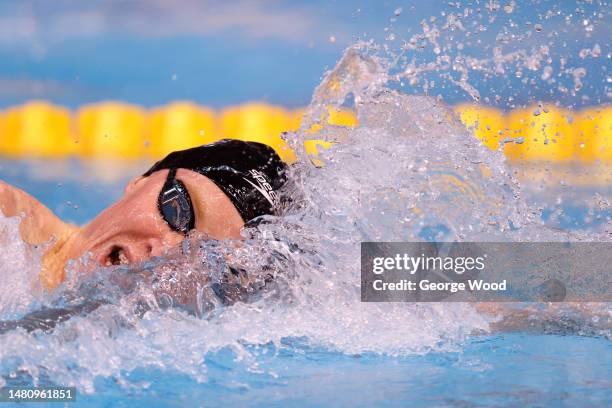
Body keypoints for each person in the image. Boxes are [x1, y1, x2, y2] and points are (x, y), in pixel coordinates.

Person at [0, 139, 289, 291]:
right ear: (139, 182)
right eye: (177, 209)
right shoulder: (8, 230)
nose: (165, 251)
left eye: (208, 256)